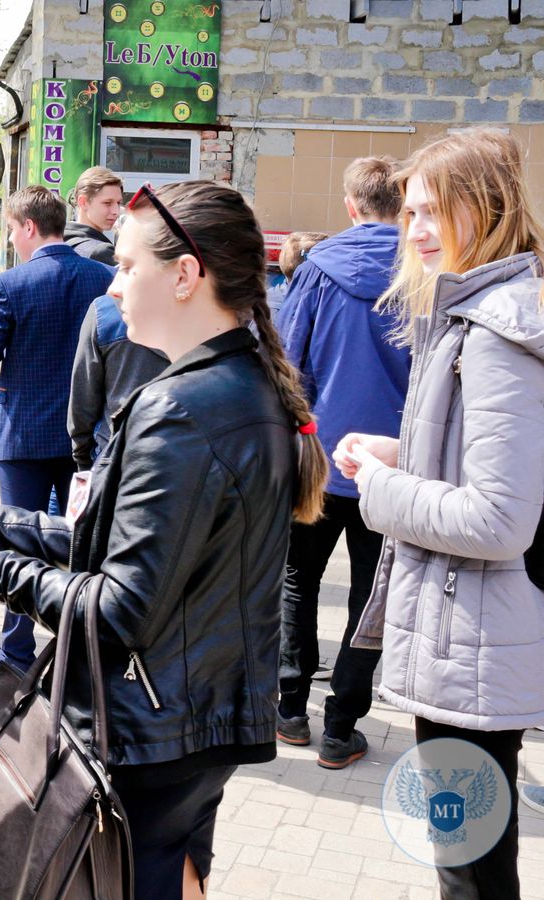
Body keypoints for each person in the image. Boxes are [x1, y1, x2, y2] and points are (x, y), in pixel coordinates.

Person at [0, 180, 329, 900]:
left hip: (151, 728)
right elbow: (121, 545)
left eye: (128, 267)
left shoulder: (183, 408)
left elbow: (119, 605)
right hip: (195, 719)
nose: (114, 285)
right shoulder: (235, 385)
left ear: (186, 276)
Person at [339, 128, 544, 899]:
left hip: (474, 642)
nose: (415, 229)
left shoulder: (493, 331)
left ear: (485, 212)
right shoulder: (479, 310)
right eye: (410, 212)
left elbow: (497, 519)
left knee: (468, 869)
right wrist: (398, 453)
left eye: (434, 212)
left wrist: (380, 492)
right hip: (468, 637)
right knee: (468, 858)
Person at [274, 157, 409, 769]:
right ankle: (341, 724)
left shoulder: (315, 272)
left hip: (320, 459)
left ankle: (290, 708)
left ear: (351, 205)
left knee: (298, 582)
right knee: (368, 595)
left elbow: (285, 362)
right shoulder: (424, 270)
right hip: (394, 464)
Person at [0, 185, 114, 677]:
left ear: (29, 227)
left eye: (11, 228)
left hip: (24, 439)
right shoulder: (104, 277)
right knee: (80, 543)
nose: (10, 238)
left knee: (18, 542)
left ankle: (15, 653)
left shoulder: (10, 285)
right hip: (87, 443)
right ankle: (78, 650)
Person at [68, 292, 168, 471]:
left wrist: (82, 455)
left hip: (116, 454)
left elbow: (83, 397)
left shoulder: (105, 310)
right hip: (186, 457)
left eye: (126, 266)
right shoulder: (215, 312)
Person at [63, 166, 123, 266]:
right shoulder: (101, 252)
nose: (116, 211)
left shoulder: (59, 242)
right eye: (107, 203)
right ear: (83, 202)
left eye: (118, 202)